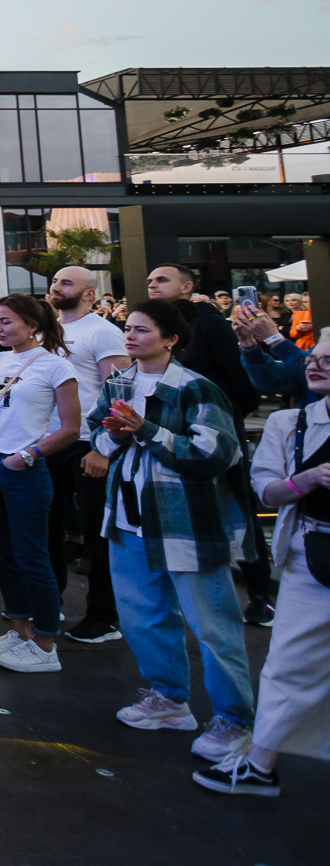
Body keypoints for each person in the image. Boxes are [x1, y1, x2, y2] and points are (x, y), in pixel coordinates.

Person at [86, 301, 256, 762]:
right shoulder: (118, 382)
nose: (130, 336)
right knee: (143, 616)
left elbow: (215, 454)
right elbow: (97, 437)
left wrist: (146, 430)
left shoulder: (196, 387)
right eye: (128, 328)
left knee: (213, 626)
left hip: (186, 524)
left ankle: (235, 719)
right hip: (128, 519)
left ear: (171, 339)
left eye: (142, 330)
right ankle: (168, 699)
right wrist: (115, 435)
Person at [194, 344, 330, 795]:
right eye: (312, 360)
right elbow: (267, 491)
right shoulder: (291, 423)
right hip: (315, 555)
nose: (315, 367)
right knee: (289, 662)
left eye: (327, 361)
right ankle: (260, 762)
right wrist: (306, 480)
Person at [0, 294, 80, 673]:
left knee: (32, 556)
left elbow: (71, 428)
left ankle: (45, 644)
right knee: (3, 552)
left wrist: (28, 455)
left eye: (6, 321)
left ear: (32, 325)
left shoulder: (56, 366)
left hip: (23, 468)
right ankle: (19, 630)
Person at [146, 264, 272, 624]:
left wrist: (226, 417)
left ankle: (259, 593)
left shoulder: (210, 324)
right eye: (150, 280)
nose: (153, 284)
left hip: (216, 427)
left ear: (187, 286)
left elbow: (239, 374)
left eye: (162, 279)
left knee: (237, 500)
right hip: (169, 429)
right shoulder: (155, 324)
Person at [47, 266, 132, 644]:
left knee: (97, 532)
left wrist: (103, 447)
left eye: (66, 282)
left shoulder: (103, 331)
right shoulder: (47, 330)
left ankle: (103, 617)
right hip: (51, 440)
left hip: (88, 441)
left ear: (89, 294)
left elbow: (121, 394)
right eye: (55, 281)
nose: (56, 287)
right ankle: (49, 602)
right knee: (49, 527)